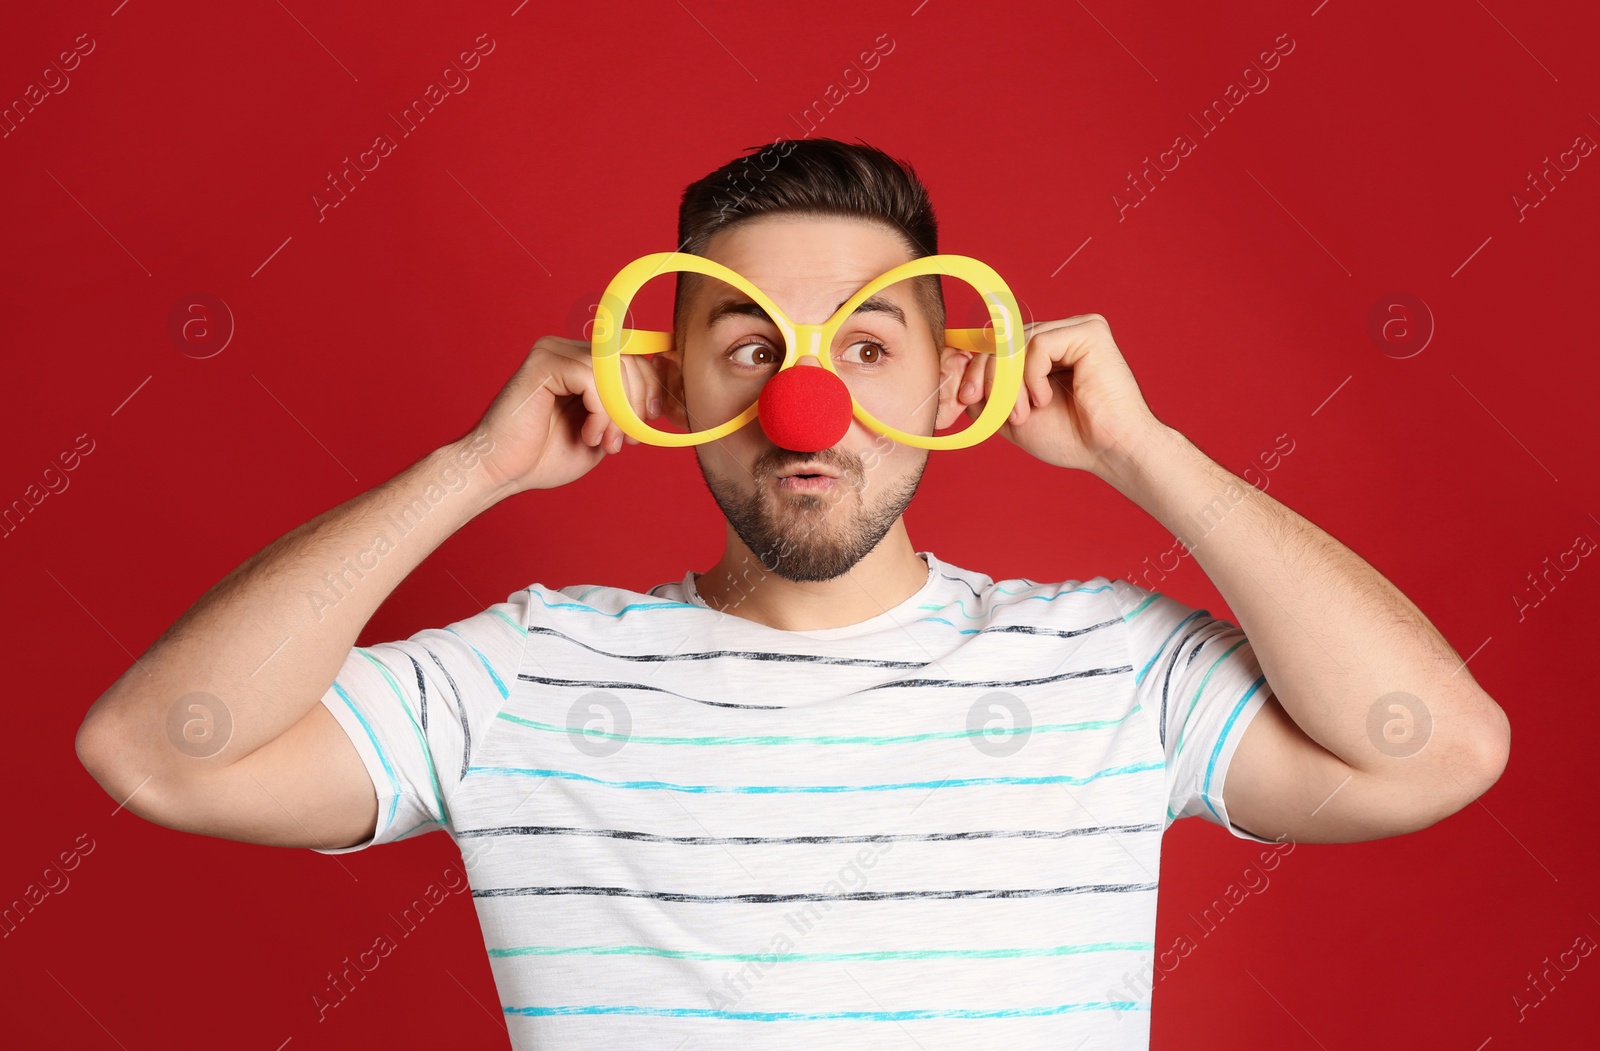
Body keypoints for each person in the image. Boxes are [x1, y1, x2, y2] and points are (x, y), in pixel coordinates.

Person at [75, 138, 1510, 1050]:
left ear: (959, 381)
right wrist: (470, 470)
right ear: (667, 382)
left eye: (867, 347)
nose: (808, 401)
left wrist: (1151, 455)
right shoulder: (521, 677)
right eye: (749, 346)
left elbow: (1436, 746)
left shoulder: (1107, 666)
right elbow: (157, 750)